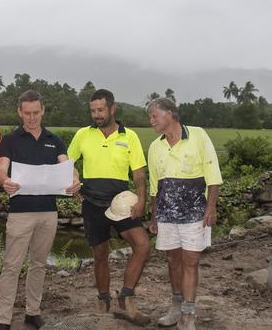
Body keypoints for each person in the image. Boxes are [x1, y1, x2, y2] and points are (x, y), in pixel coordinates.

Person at [0, 90, 81, 330]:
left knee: (39, 264)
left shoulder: (55, 139)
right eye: (27, 113)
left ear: (42, 110)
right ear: (19, 112)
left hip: (48, 212)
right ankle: (4, 318)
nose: (31, 118)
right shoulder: (10, 140)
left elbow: (67, 167)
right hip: (20, 212)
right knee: (11, 266)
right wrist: (4, 182)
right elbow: (1, 169)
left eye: (36, 112)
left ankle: (33, 312)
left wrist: (74, 179)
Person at [67, 89, 151, 325]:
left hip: (121, 202)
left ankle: (126, 297)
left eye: (101, 110)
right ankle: (103, 300)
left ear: (113, 109)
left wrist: (142, 198)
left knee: (142, 244)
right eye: (93, 111)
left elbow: (138, 172)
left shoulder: (130, 136)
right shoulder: (83, 134)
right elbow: (66, 162)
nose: (96, 115)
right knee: (100, 254)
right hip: (91, 203)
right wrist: (72, 181)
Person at [146, 97, 222, 330]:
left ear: (169, 114)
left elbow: (213, 174)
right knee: (172, 261)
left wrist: (211, 207)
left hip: (194, 212)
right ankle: (176, 306)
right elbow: (154, 186)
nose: (151, 122)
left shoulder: (198, 135)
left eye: (154, 116)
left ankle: (189, 314)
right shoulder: (155, 146)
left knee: (191, 261)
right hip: (167, 213)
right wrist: (154, 216)